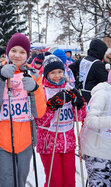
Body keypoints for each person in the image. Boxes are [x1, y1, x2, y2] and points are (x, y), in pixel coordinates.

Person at [0, 33, 46, 187]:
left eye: (22, 52)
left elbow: (39, 112)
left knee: (20, 182)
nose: (17, 55)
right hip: (1, 139)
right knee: (7, 182)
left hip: (25, 141)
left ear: (27, 54)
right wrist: (1, 80)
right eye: (14, 50)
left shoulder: (33, 74)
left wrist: (35, 89)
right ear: (8, 51)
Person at [35, 55, 85, 187]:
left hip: (67, 143)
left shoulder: (68, 88)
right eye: (53, 73)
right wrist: (51, 107)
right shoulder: (42, 91)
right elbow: (39, 121)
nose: (57, 76)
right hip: (49, 143)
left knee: (69, 181)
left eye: (60, 72)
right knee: (55, 181)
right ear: (46, 74)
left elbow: (79, 117)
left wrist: (79, 105)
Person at [69, 38, 108, 102]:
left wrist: (75, 81)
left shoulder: (82, 60)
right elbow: (105, 80)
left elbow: (69, 70)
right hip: (92, 96)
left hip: (79, 94)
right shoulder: (98, 64)